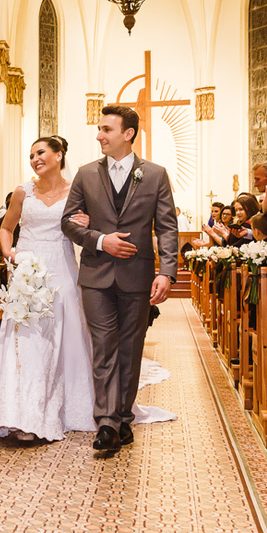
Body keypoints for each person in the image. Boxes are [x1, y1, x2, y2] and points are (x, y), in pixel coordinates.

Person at [0, 135, 176, 441]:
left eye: (41, 153)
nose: (35, 159)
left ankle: (77, 406)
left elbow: (86, 227)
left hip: (61, 268)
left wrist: (87, 224)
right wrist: (10, 254)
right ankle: (21, 411)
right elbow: (6, 228)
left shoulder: (78, 188)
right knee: (27, 340)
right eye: (31, 155)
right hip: (28, 270)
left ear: (59, 155)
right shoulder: (22, 192)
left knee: (69, 337)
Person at [61, 106, 179, 453]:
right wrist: (100, 240)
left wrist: (166, 271)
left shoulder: (155, 175)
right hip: (96, 275)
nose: (99, 135)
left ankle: (124, 416)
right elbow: (68, 222)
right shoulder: (86, 174)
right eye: (99, 129)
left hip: (137, 275)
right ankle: (107, 423)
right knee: (103, 347)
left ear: (128, 134)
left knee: (130, 347)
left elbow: (167, 227)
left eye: (106, 129)